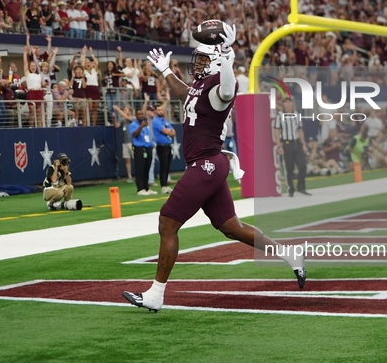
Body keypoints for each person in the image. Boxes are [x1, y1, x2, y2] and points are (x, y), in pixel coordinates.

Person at [122, 24, 306, 313]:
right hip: (211, 164)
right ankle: (289, 254)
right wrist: (165, 72)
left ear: (217, 62)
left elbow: (228, 89)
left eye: (202, 60)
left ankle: (156, 294)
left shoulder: (223, 84)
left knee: (167, 222)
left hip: (205, 165)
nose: (196, 64)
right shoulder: (202, 84)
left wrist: (228, 58)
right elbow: (188, 95)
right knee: (232, 227)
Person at [274, 98, 311, 197]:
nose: (289, 104)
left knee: (303, 165)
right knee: (289, 167)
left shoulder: (296, 115)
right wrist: (279, 145)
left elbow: (300, 130)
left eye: (290, 102)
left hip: (297, 143)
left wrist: (303, 144)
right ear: (283, 104)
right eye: (286, 102)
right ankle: (291, 189)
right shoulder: (280, 115)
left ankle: (301, 187)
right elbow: (277, 131)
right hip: (286, 143)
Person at [129, 107, 157, 196]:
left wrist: (151, 144)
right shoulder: (133, 125)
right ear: (135, 115)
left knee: (147, 168)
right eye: (139, 114)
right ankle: (140, 188)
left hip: (148, 148)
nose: (141, 116)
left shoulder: (146, 124)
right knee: (140, 168)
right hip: (139, 148)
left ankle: (146, 187)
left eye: (142, 114)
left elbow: (147, 135)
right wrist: (141, 126)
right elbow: (135, 135)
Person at [152, 103, 175, 194]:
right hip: (161, 146)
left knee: (167, 166)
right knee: (163, 165)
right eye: (159, 110)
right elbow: (165, 131)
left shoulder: (164, 120)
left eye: (162, 109)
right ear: (155, 111)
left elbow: (173, 132)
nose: (161, 111)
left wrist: (169, 131)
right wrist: (169, 131)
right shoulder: (155, 121)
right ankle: (163, 186)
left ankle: (166, 184)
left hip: (168, 145)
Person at [23, 46, 45, 127]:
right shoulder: (28, 74)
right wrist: (25, 52)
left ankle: (39, 127)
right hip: (31, 92)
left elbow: (42, 84)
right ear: (29, 67)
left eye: (34, 65)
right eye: (31, 65)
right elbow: (25, 62)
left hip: (39, 92)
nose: (33, 67)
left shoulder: (39, 75)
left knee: (39, 112)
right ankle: (31, 126)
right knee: (32, 111)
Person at [112, 104, 134, 182]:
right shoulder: (122, 120)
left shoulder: (133, 118)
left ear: (130, 112)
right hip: (125, 142)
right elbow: (116, 126)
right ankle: (129, 176)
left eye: (126, 110)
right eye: (124, 110)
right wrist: (115, 118)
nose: (124, 112)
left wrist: (118, 109)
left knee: (137, 159)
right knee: (127, 159)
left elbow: (128, 118)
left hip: (133, 142)